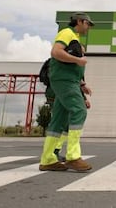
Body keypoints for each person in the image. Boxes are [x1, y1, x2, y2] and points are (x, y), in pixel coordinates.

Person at [39, 12, 94, 172]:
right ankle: (73, 156)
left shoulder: (74, 37)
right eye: (87, 24)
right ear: (80, 21)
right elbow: (56, 52)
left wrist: (82, 83)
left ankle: (48, 159)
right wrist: (78, 60)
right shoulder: (66, 33)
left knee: (58, 120)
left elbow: (71, 65)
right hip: (64, 81)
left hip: (69, 81)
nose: (88, 27)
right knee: (79, 111)